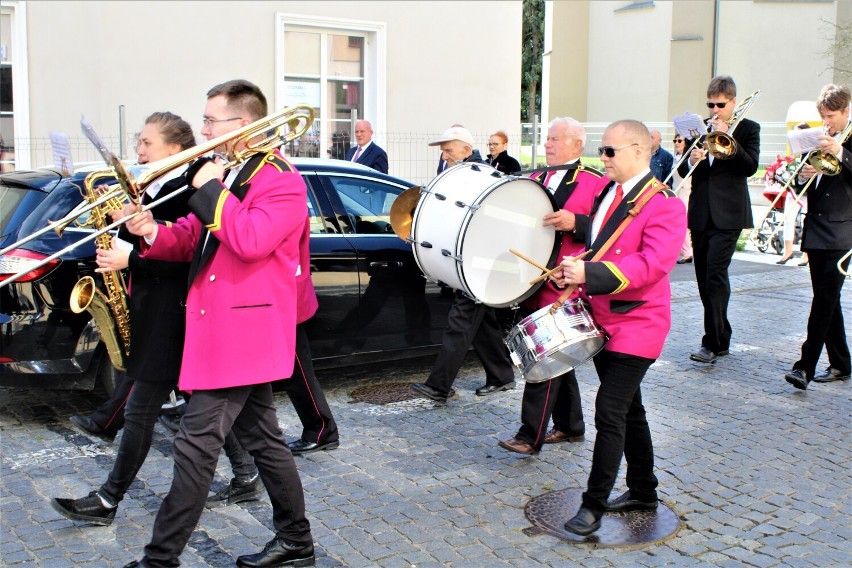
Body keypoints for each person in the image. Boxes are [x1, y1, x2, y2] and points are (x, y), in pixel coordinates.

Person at [121, 80, 315, 567]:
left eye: (210, 120)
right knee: (266, 441)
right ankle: (296, 541)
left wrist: (207, 184)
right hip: (221, 329)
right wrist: (150, 231)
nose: (203, 129)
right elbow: (194, 238)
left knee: (194, 446)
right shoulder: (231, 174)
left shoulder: (282, 180)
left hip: (244, 335)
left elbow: (249, 239)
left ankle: (159, 559)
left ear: (243, 125)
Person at [51, 112, 196, 524]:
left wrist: (130, 255)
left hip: (172, 314)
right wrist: (122, 228)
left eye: (147, 143)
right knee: (220, 408)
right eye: (140, 141)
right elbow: (147, 238)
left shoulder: (188, 189)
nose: (139, 150)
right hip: (153, 309)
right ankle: (245, 473)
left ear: (173, 147)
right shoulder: (159, 185)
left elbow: (186, 258)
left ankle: (107, 500)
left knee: (141, 412)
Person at [556, 119, 685, 536]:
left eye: (610, 151)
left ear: (637, 151)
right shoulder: (609, 193)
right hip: (603, 318)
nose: (602, 158)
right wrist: (572, 271)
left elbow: (651, 265)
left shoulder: (665, 203)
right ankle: (644, 491)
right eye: (602, 150)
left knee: (610, 410)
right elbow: (602, 246)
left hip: (639, 323)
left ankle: (592, 505)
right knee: (631, 409)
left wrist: (588, 273)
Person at [498, 117, 603, 456]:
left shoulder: (594, 181)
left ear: (577, 144)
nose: (548, 144)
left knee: (544, 358)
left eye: (556, 139)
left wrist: (578, 223)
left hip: (565, 283)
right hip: (533, 279)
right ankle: (571, 426)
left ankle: (530, 435)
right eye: (547, 139)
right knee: (559, 358)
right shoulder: (534, 178)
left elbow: (610, 232)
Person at [412, 126, 516, 403]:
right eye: (443, 151)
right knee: (481, 324)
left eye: (448, 150)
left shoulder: (479, 177)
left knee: (461, 322)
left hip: (477, 263)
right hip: (472, 262)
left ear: (467, 151)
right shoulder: (462, 174)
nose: (444, 155)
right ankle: (502, 375)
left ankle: (439, 385)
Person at [678, 75, 760, 365]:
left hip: (729, 215)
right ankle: (722, 334)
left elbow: (750, 167)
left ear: (733, 102)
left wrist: (729, 137)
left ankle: (710, 342)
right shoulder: (698, 129)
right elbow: (682, 171)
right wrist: (692, 159)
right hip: (701, 214)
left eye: (720, 105)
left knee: (715, 274)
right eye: (710, 104)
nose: (714, 110)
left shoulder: (749, 129)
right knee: (705, 279)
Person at [784, 83, 852, 390]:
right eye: (823, 115)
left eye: (832, 115)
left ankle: (804, 366)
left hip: (843, 232)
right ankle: (841, 362)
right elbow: (799, 188)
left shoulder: (843, 142)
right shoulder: (819, 139)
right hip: (816, 229)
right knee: (828, 300)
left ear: (846, 111)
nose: (827, 121)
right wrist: (803, 175)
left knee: (824, 300)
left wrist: (841, 152)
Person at [776, 123, 811, 266]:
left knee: (805, 221)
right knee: (788, 219)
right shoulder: (795, 153)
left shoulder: (811, 151)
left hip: (807, 193)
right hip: (793, 191)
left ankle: (806, 255)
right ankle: (787, 252)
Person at [671, 134, 694, 264]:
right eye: (675, 140)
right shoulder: (675, 157)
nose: (677, 143)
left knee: (681, 222)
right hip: (676, 191)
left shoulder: (687, 158)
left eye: (680, 140)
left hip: (685, 191)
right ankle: (681, 250)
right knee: (675, 222)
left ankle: (687, 252)